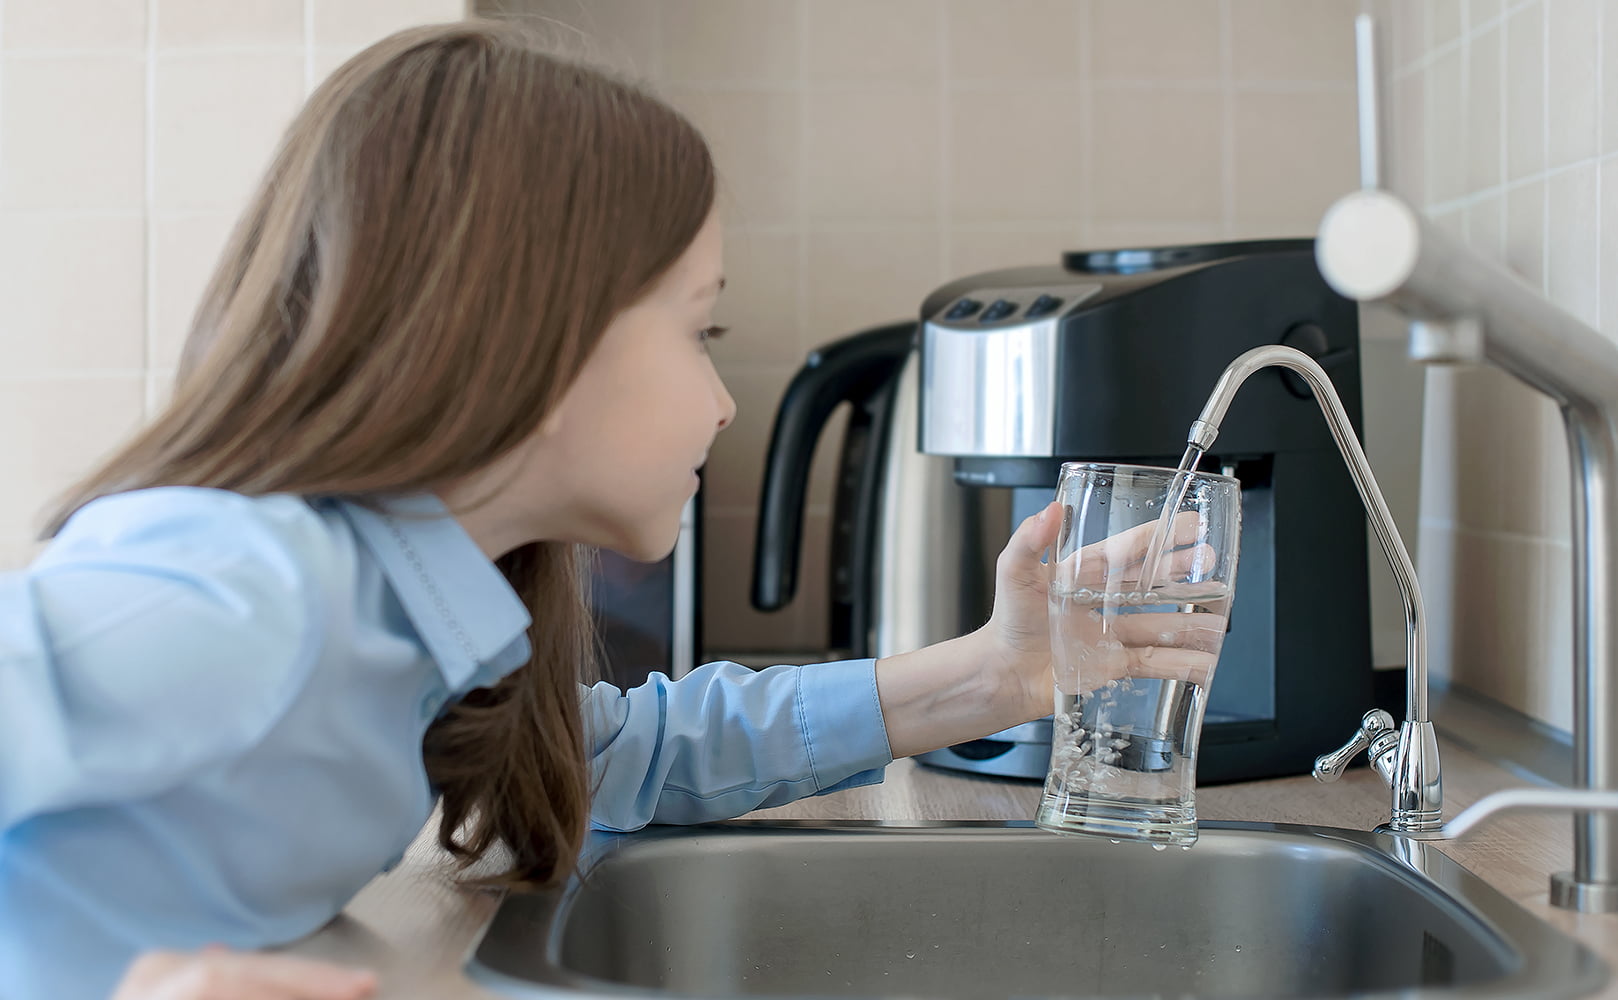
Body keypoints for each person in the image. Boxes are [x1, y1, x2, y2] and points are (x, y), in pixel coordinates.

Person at [0, 19, 1207, 1000]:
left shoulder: (419, 615)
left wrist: (996, 675)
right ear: (531, 346)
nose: (725, 405)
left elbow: (622, 752)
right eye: (700, 331)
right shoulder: (248, 587)